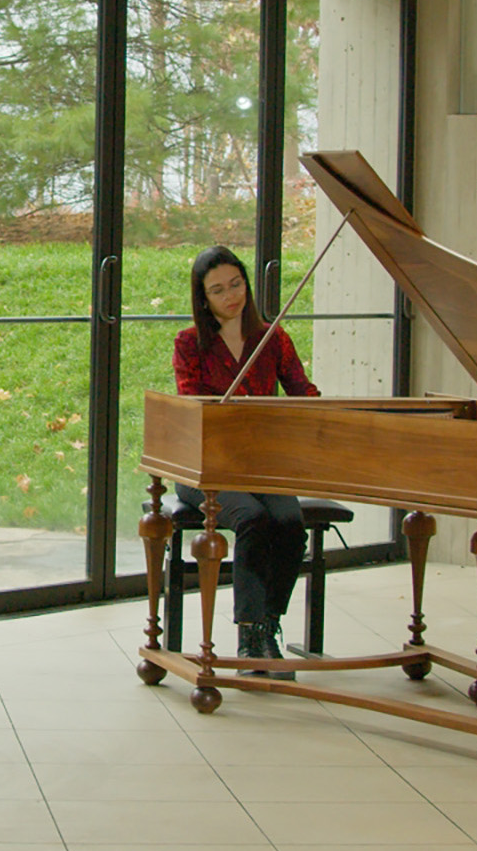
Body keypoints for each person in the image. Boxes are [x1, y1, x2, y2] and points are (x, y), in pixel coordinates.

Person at [171, 245, 318, 679]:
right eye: (218, 290)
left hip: (258, 464)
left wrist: (321, 410)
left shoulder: (272, 339)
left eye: (236, 284)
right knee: (252, 518)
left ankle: (268, 624)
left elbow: (301, 389)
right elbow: (192, 404)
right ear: (204, 298)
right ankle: (250, 636)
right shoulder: (189, 344)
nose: (230, 295)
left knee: (290, 523)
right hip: (204, 467)